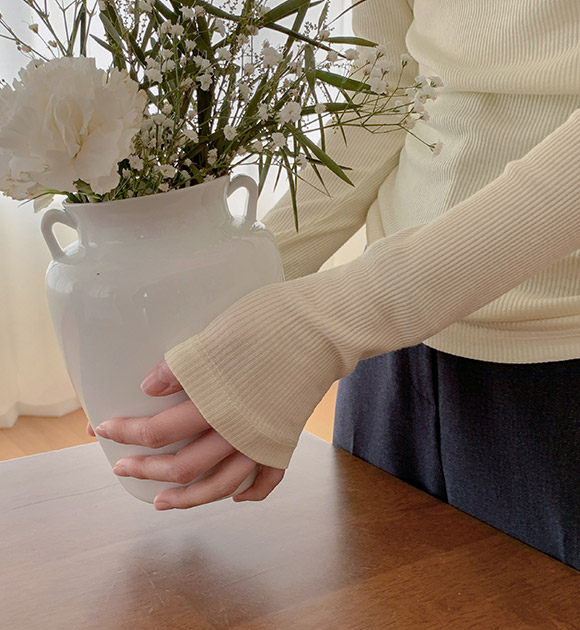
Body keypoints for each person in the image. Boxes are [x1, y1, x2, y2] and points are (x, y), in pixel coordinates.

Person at [91, 0, 580, 571]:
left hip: (553, 352)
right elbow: (388, 81)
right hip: (387, 351)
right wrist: (240, 297)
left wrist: (319, 325)